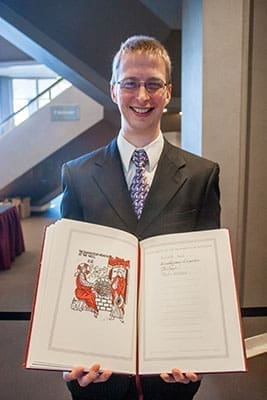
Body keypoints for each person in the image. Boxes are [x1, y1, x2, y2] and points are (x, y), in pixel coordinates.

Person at [61, 35, 220, 400]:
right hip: (97, 368)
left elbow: (205, 277)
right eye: (131, 84)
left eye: (153, 84)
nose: (142, 97)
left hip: (171, 369)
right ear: (114, 90)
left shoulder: (202, 175)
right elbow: (67, 272)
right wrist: (66, 354)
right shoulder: (77, 174)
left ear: (167, 92)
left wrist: (200, 351)